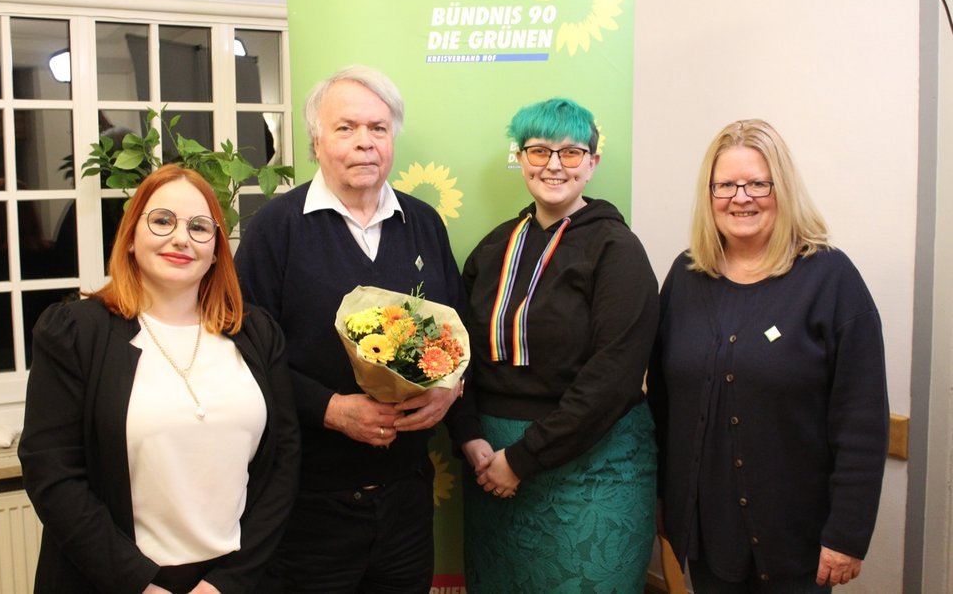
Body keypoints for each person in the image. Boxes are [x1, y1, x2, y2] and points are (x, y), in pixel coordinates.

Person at [235, 65, 467, 592]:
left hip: (407, 498)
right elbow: (246, 357)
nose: (365, 142)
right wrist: (331, 410)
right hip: (308, 506)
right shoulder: (275, 229)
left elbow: (458, 332)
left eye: (378, 128)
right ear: (317, 142)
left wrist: (449, 389)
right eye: (346, 128)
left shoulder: (424, 223)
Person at [19, 164, 301, 594]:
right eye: (163, 221)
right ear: (131, 237)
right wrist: (141, 586)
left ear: (216, 250)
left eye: (199, 227)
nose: (181, 238)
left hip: (232, 582)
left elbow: (284, 461)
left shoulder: (258, 334)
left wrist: (227, 583)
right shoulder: (75, 333)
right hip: (112, 582)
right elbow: (52, 473)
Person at [647, 119, 889, 592]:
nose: (741, 198)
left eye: (758, 183)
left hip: (796, 541)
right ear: (709, 194)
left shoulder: (830, 279)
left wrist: (847, 534)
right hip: (705, 537)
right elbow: (662, 404)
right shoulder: (685, 275)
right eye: (725, 185)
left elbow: (861, 420)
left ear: (784, 189)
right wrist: (664, 501)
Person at [448, 98, 660, 592]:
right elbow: (455, 354)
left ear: (593, 162)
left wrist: (521, 460)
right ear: (520, 157)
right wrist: (469, 435)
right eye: (539, 150)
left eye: (571, 152)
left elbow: (613, 376)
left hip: (591, 467)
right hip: (489, 465)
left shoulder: (617, 250)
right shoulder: (492, 247)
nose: (554, 165)